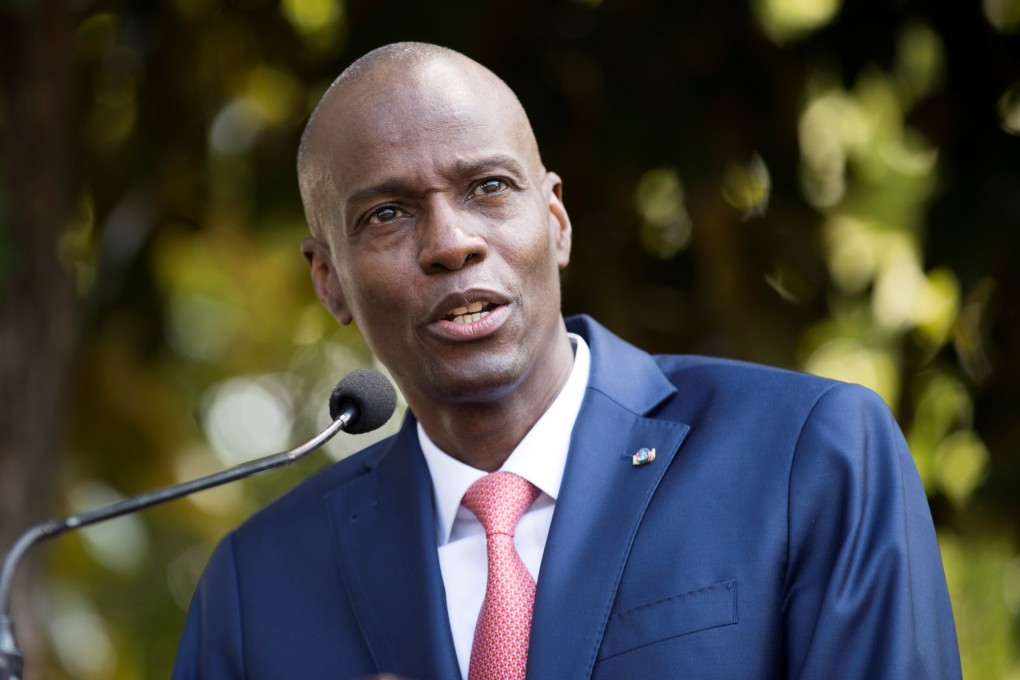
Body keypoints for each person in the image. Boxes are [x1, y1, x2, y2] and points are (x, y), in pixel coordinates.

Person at [172, 42, 961, 679]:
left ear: (555, 220)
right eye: (387, 214)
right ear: (328, 278)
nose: (451, 242)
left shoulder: (807, 454)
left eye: (487, 187)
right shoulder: (257, 587)